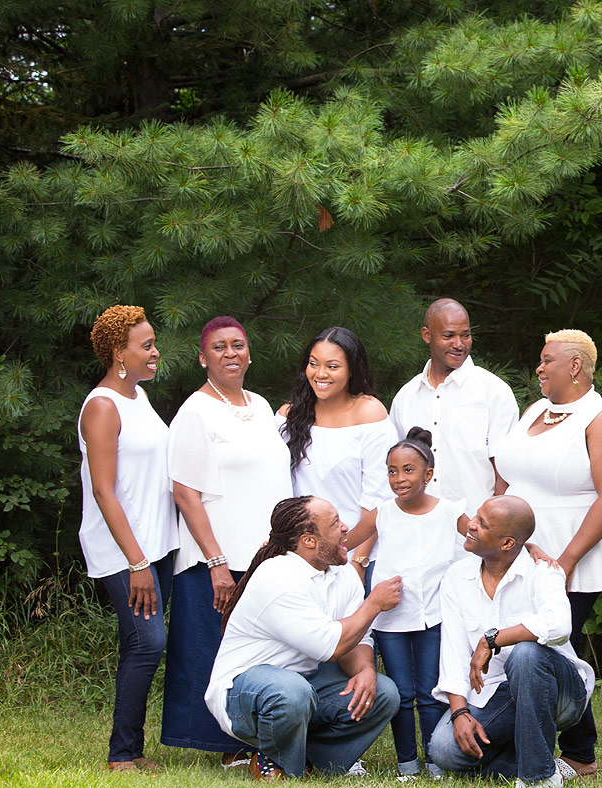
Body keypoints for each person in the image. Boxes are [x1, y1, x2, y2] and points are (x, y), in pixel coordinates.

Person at [492, 329, 602, 777]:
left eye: (547, 359)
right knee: (549, 647)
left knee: (551, 644)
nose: (539, 367)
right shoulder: (537, 409)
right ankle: (568, 747)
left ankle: (579, 753)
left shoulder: (601, 419)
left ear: (574, 366)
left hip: (568, 553)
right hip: (517, 551)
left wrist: (566, 560)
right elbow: (508, 474)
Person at [163, 316, 292, 764]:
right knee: (210, 649)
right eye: (219, 347)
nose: (230, 353)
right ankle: (221, 745)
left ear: (250, 353)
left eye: (238, 345)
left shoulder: (259, 405)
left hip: (266, 556)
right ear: (203, 358)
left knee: (260, 650)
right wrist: (217, 562)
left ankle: (256, 736)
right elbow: (185, 492)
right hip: (218, 556)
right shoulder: (195, 412)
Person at [204, 496, 403, 779]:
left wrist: (366, 670)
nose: (346, 527)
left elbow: (357, 638)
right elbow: (331, 645)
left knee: (382, 693)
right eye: (335, 523)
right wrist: (373, 604)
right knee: (291, 691)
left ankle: (313, 761)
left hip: (305, 685)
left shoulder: (342, 573)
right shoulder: (278, 579)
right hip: (246, 692)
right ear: (309, 541)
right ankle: (276, 760)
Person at [428, 496, 594, 788]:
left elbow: (559, 626)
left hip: (559, 693)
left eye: (482, 523)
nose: (471, 525)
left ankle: (538, 777)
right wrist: (459, 713)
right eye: (475, 517)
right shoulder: (457, 577)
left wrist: (492, 640)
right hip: (496, 693)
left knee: (527, 654)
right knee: (444, 751)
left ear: (507, 543)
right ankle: (534, 759)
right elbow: (451, 651)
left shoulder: (543, 570)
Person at [78, 305, 179, 773]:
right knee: (148, 641)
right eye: (147, 345)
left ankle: (131, 750)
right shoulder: (102, 406)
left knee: (138, 642)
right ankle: (124, 754)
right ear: (120, 353)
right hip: (124, 550)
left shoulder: (137, 397)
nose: (156, 352)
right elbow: (103, 490)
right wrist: (136, 562)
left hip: (154, 544)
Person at [358, 427, 469, 780]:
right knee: (402, 694)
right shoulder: (382, 513)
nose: (399, 478)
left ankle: (436, 760)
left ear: (428, 475)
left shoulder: (450, 511)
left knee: (430, 692)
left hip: (434, 618)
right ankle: (407, 764)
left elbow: (487, 537)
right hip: (391, 620)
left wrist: (528, 546)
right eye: (392, 470)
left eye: (408, 470)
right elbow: (340, 541)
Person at [278, 326, 397, 584]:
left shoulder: (370, 414)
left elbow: (378, 499)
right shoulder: (289, 416)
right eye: (313, 364)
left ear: (352, 369)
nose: (320, 374)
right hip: (300, 557)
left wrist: (358, 561)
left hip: (356, 554)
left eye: (332, 366)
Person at [389, 298, 518, 512]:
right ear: (427, 335)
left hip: (475, 531)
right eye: (449, 336)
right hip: (418, 530)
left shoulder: (493, 391)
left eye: (465, 335)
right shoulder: (406, 397)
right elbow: (394, 468)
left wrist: (492, 525)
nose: (459, 344)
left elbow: (505, 470)